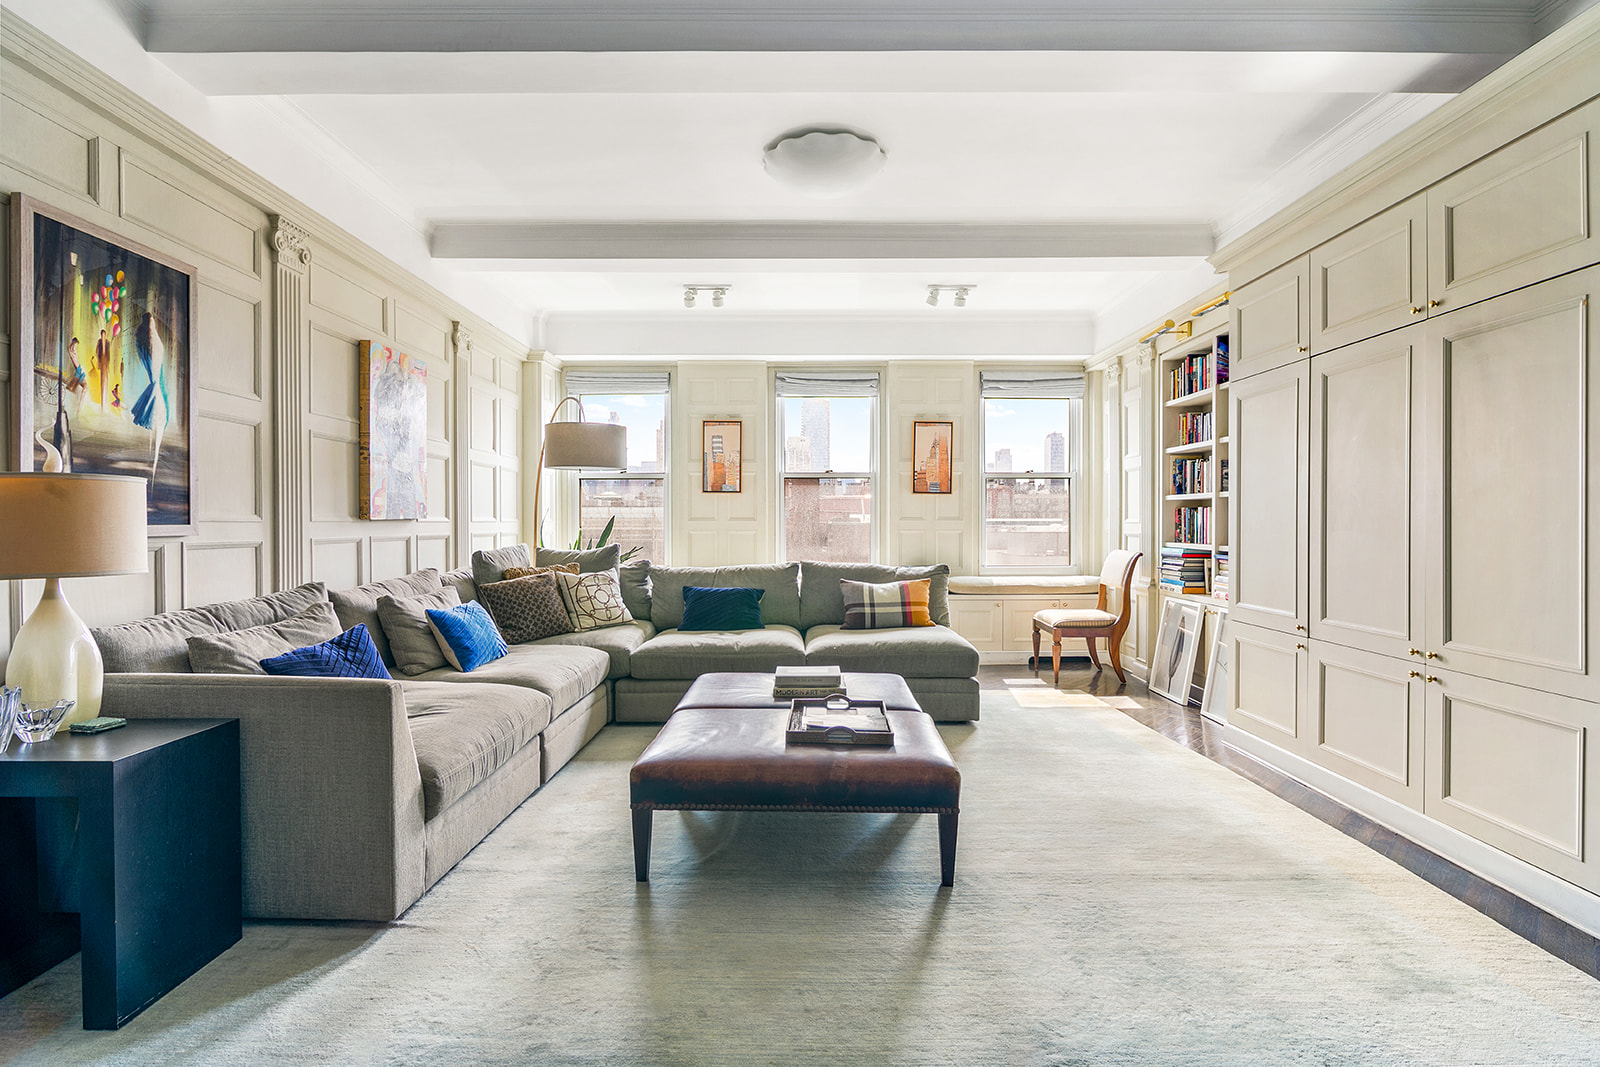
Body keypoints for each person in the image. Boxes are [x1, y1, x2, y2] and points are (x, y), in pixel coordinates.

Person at [131, 312, 169, 478]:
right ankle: (152, 463)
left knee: (156, 424)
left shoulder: (144, 342)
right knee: (159, 422)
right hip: (156, 388)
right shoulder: (152, 341)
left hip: (154, 387)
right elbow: (155, 369)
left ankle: (151, 460)